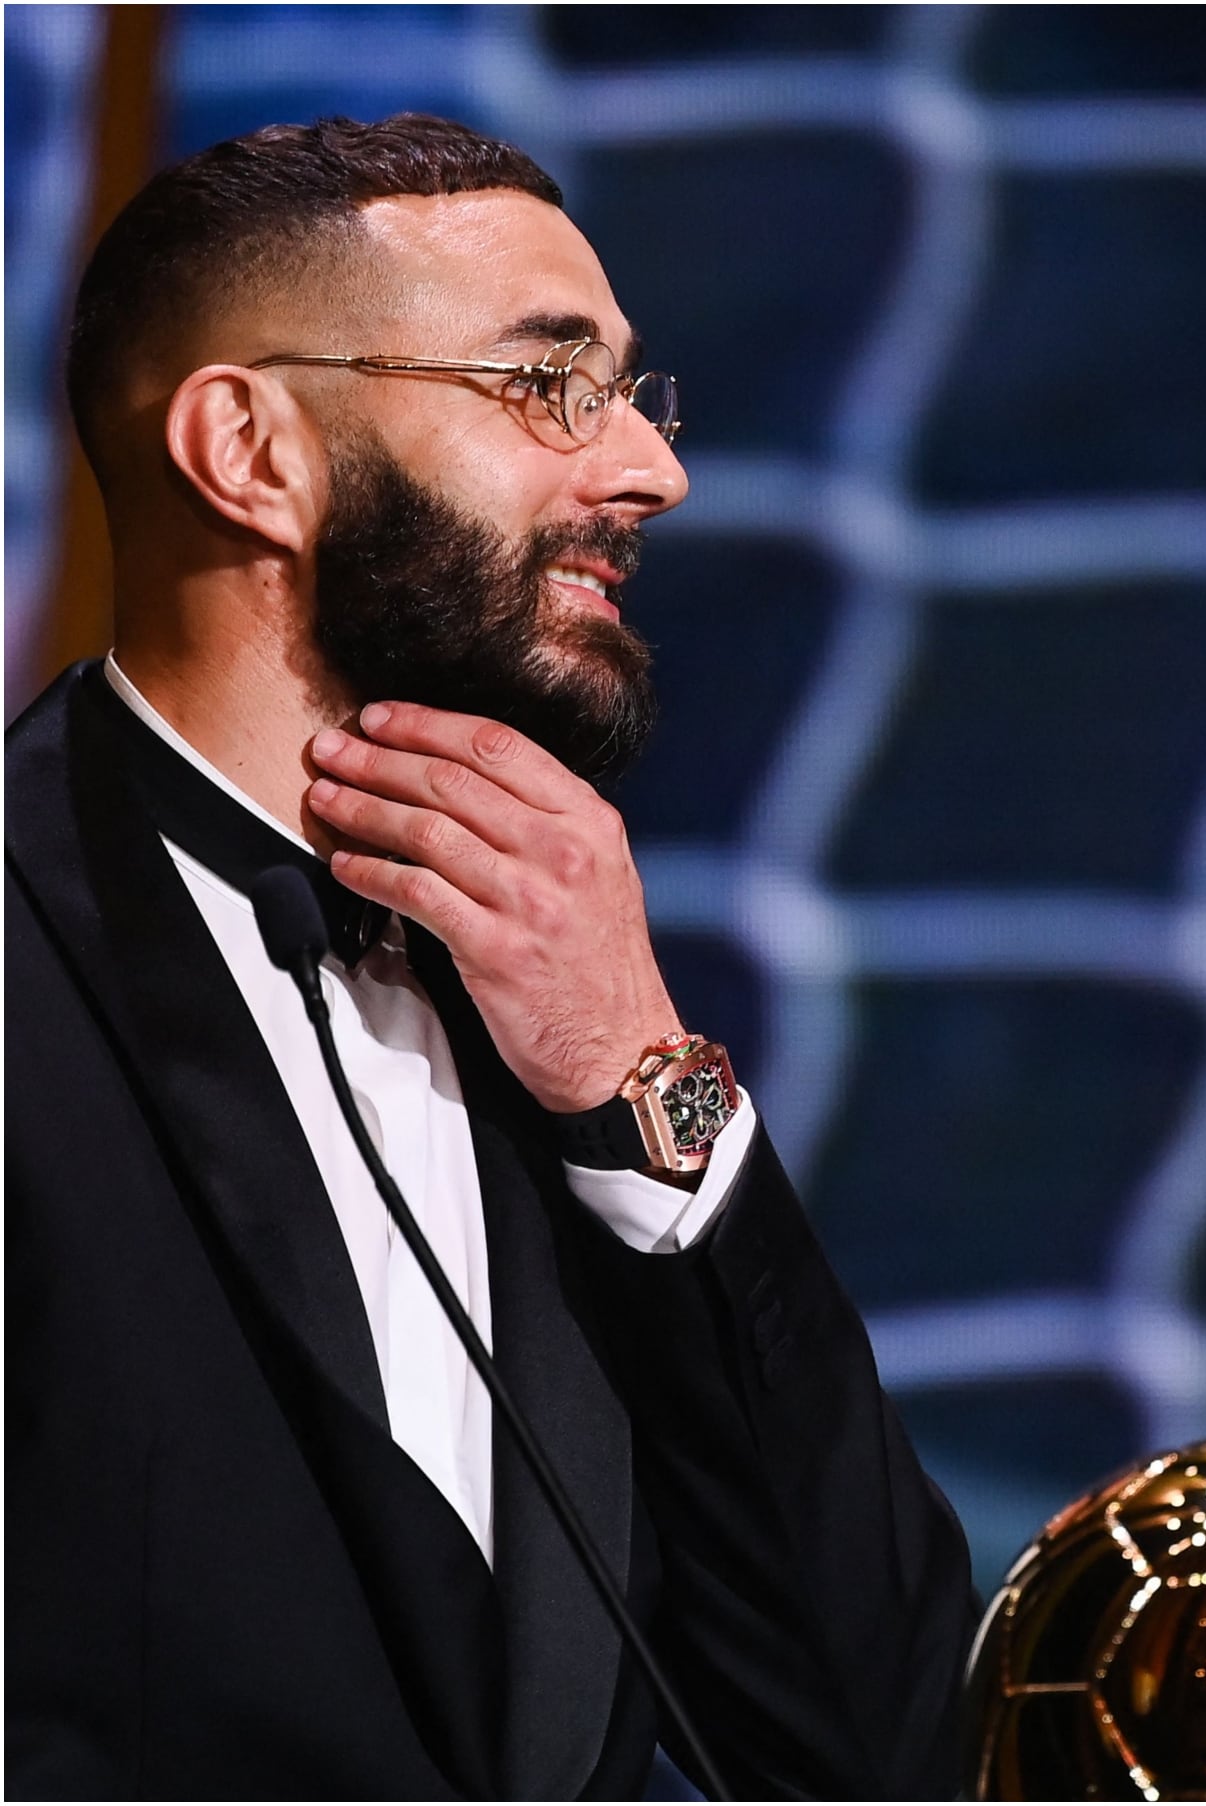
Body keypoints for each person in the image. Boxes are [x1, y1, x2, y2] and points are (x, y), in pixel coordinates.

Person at [7, 114, 978, 1797]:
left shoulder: (566, 1016)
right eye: (549, 386)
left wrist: (635, 1080)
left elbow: (872, 1748)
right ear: (252, 450)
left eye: (630, 393)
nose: (651, 470)